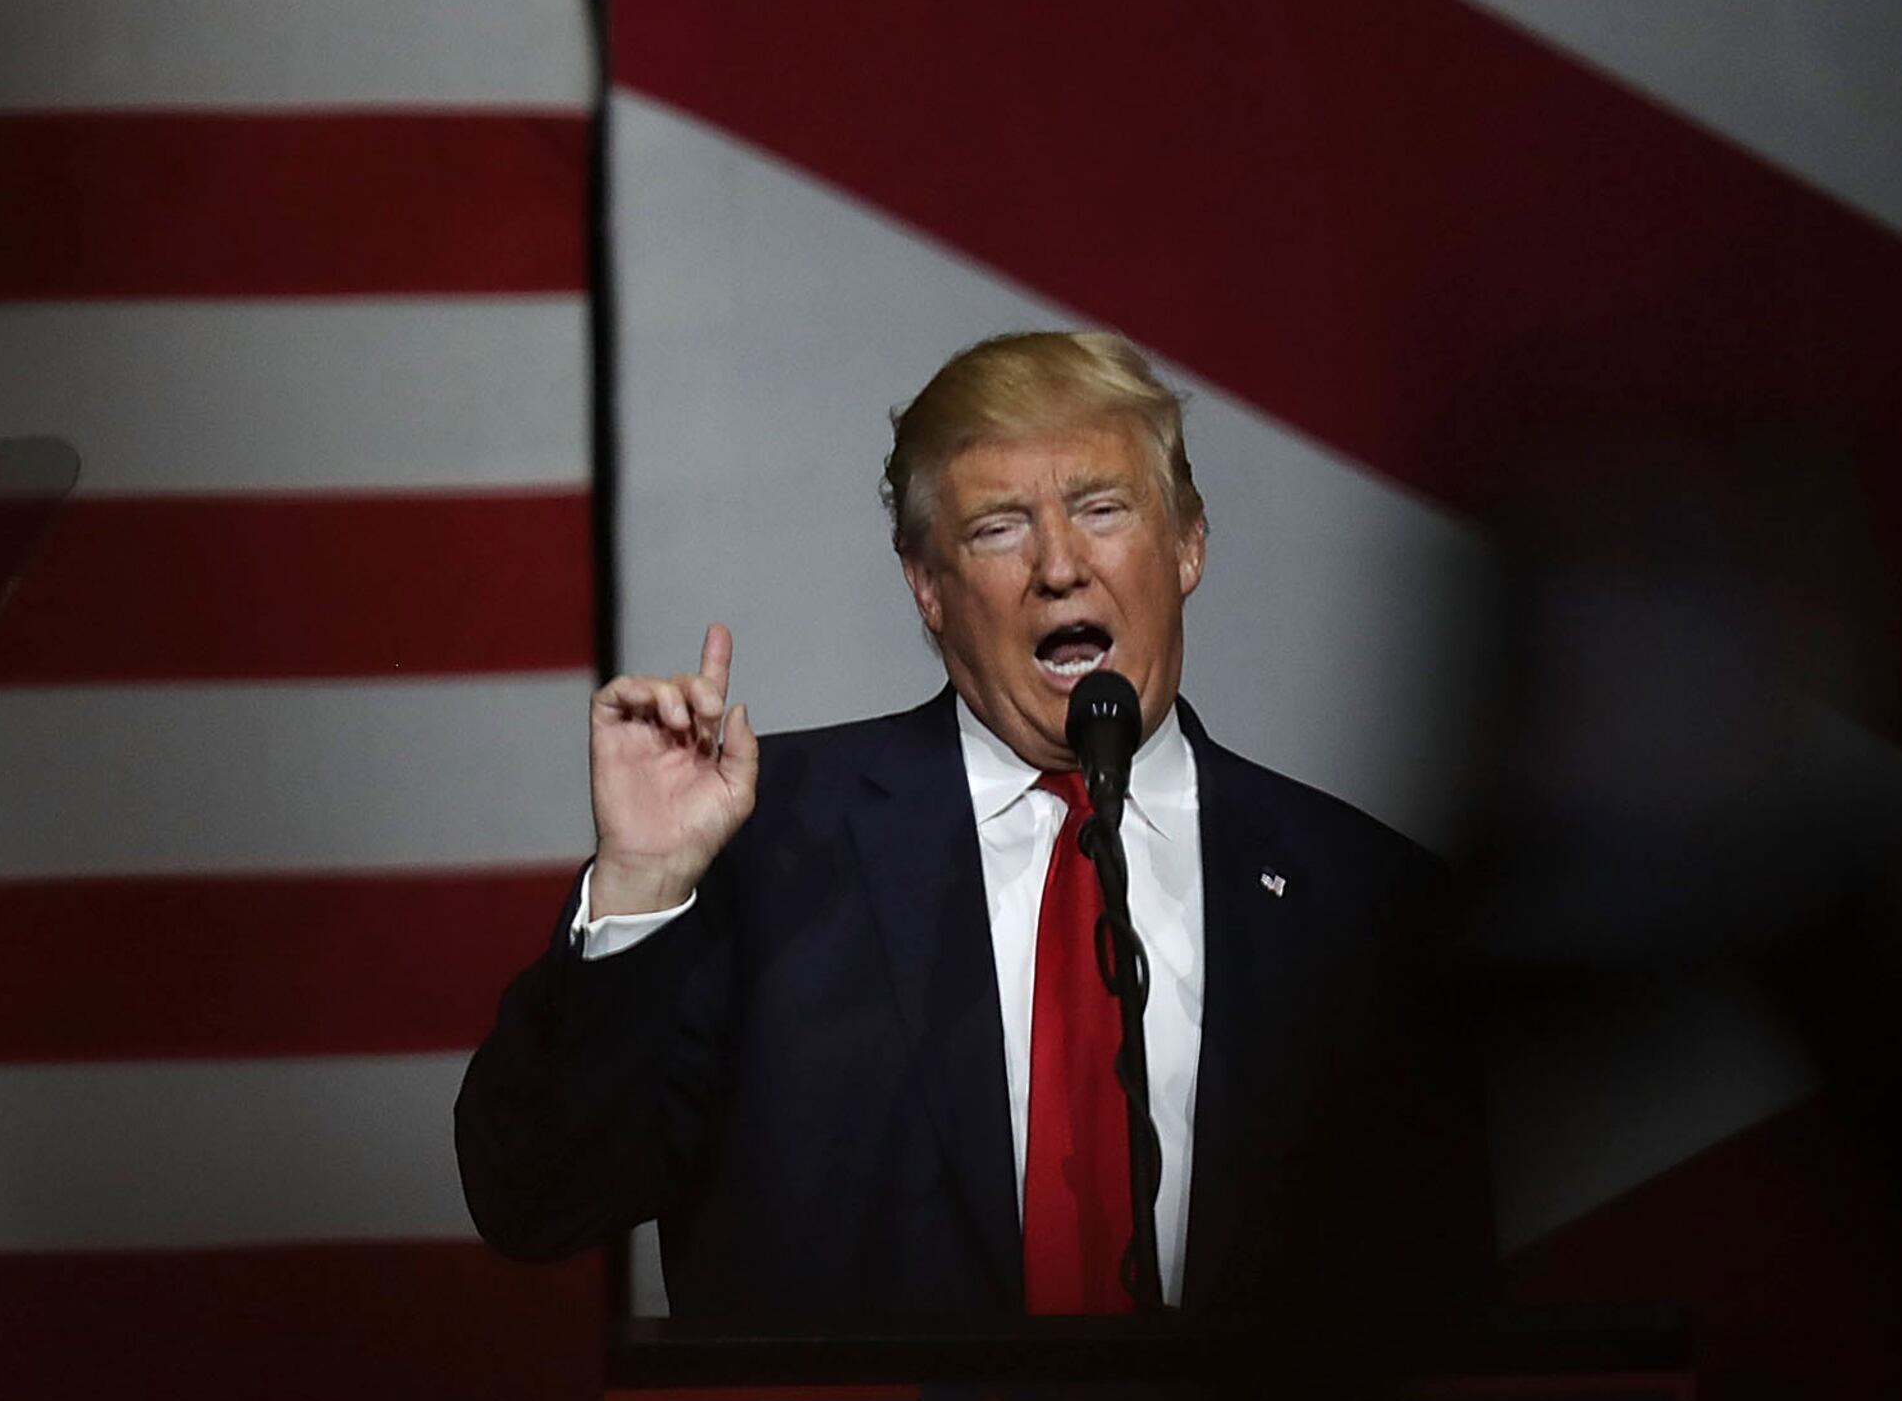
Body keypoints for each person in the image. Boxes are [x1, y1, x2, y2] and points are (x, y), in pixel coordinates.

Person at [457, 331, 1490, 1324]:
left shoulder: (1365, 901)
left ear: (1188, 544)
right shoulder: (764, 849)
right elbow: (539, 1201)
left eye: (1102, 508)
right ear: (927, 586)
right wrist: (639, 891)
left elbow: (1440, 1332)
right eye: (998, 527)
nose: (1058, 566)